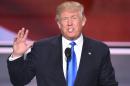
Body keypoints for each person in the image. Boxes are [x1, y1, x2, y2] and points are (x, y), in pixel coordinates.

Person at [7, 1, 118, 86]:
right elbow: (19, 80)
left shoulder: (99, 50)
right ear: (59, 24)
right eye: (65, 19)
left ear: (83, 21)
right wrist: (17, 56)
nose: (69, 23)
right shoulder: (41, 49)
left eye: (74, 18)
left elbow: (109, 84)